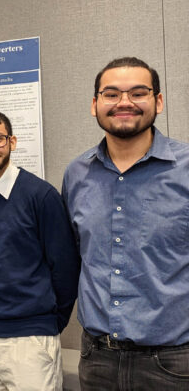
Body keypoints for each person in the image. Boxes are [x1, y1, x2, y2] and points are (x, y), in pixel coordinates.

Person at [62, 57, 189, 390]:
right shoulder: (77, 174)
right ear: (95, 104)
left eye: (138, 93)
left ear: (158, 101)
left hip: (173, 363)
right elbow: (72, 256)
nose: (124, 103)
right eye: (111, 94)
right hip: (96, 359)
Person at [0, 109, 80, 391]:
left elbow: (66, 268)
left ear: (12, 142)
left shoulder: (41, 195)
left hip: (30, 341)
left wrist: (48, 322)